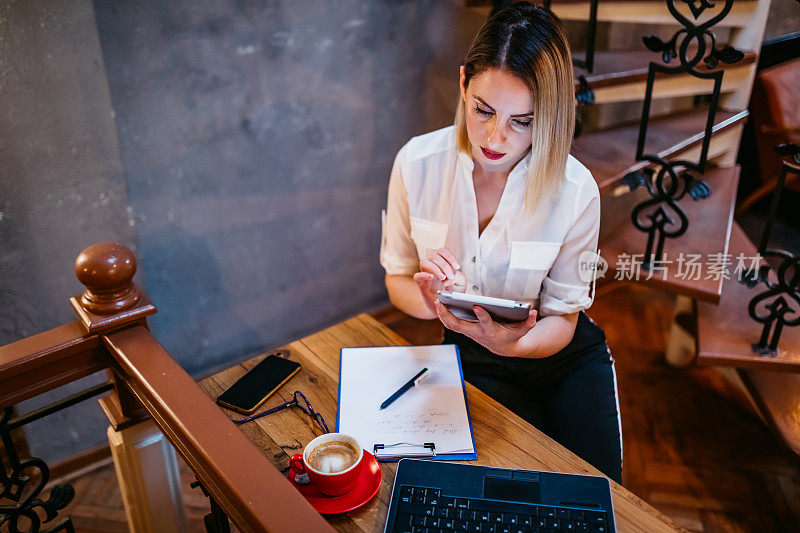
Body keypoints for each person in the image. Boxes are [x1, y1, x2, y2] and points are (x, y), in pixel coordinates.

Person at [379, 2, 622, 482]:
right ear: (465, 82)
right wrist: (429, 301)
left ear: (547, 115)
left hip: (563, 358)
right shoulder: (416, 164)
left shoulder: (575, 191)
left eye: (522, 121)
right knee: (495, 492)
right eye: (484, 110)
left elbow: (564, 318)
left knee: (594, 497)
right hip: (470, 352)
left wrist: (513, 345)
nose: (495, 136)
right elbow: (397, 277)